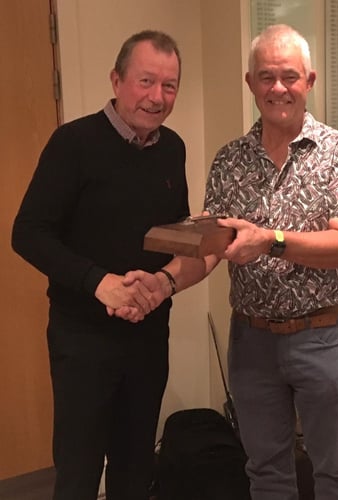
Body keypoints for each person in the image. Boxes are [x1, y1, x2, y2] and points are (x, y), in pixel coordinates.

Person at [149, 24, 338, 498]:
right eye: (266, 77)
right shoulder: (229, 160)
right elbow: (210, 249)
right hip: (251, 341)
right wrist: (160, 285)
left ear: (309, 81)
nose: (278, 88)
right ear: (250, 83)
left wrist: (270, 240)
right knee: (265, 471)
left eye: (289, 76)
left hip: (323, 337)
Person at [11, 30, 199, 500]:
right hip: (83, 342)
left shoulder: (173, 148)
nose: (157, 97)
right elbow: (28, 233)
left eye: (170, 85)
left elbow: (175, 234)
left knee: (136, 468)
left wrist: (160, 283)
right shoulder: (72, 143)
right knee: (77, 472)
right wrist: (100, 283)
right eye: (145, 81)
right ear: (117, 80)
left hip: (149, 336)